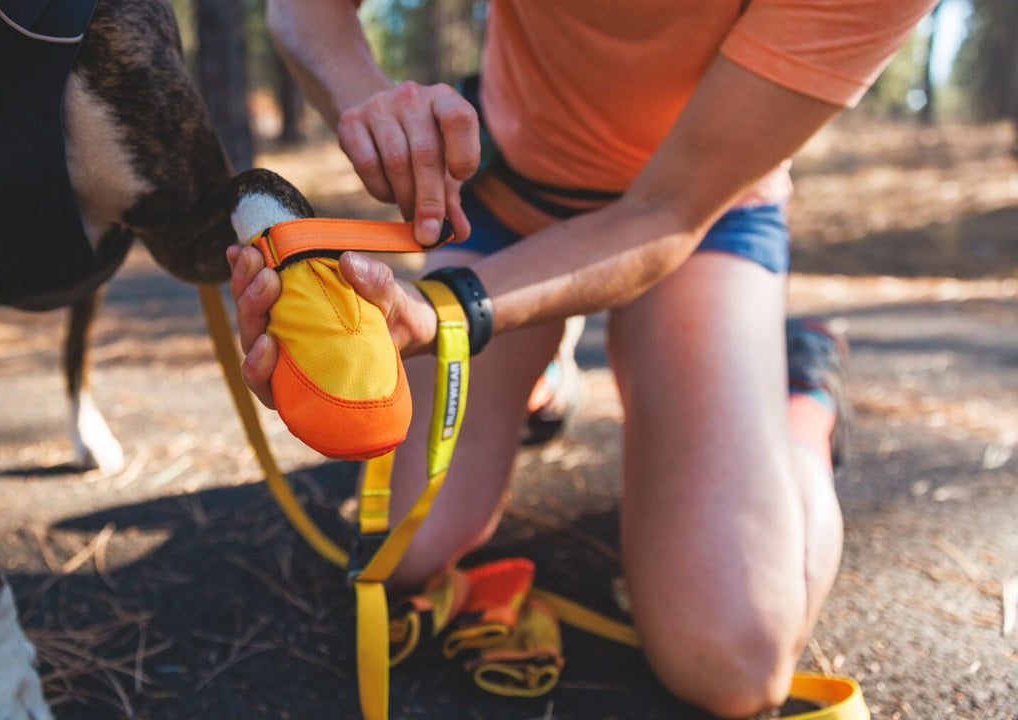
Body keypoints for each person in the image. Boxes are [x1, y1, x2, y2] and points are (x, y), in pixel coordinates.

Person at [229, 1, 934, 716]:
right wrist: (373, 108)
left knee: (731, 661)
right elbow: (303, 13)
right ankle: (546, 365)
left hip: (703, 214)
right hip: (507, 195)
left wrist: (447, 309)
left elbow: (667, 212)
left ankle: (802, 396)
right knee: (407, 553)